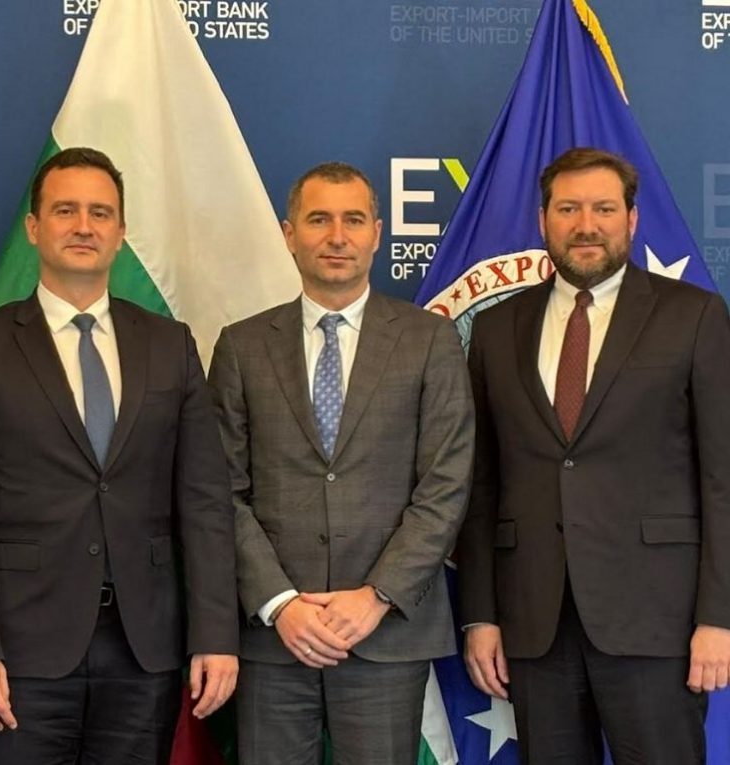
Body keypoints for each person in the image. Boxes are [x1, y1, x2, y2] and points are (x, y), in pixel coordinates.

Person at [0, 147, 238, 765]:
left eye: (100, 213)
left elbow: (205, 501)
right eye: (65, 210)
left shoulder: (170, 345)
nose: (83, 226)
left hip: (143, 650)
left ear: (120, 232)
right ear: (33, 227)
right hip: (17, 653)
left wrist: (215, 635)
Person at [457, 147, 730, 764]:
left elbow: (722, 477)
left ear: (632, 219)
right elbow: (481, 485)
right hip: (535, 623)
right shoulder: (497, 329)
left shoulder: (693, 316)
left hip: (658, 622)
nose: (586, 225)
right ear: (543, 220)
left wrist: (719, 616)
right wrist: (480, 616)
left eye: (604, 209)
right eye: (569, 209)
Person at [208, 161, 474, 764]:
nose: (336, 236)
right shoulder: (242, 346)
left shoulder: (430, 341)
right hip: (275, 639)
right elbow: (221, 490)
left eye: (353, 220)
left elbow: (446, 485)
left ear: (377, 234)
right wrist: (280, 603)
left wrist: (376, 596)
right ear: (289, 233)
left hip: (387, 634)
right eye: (318, 220)